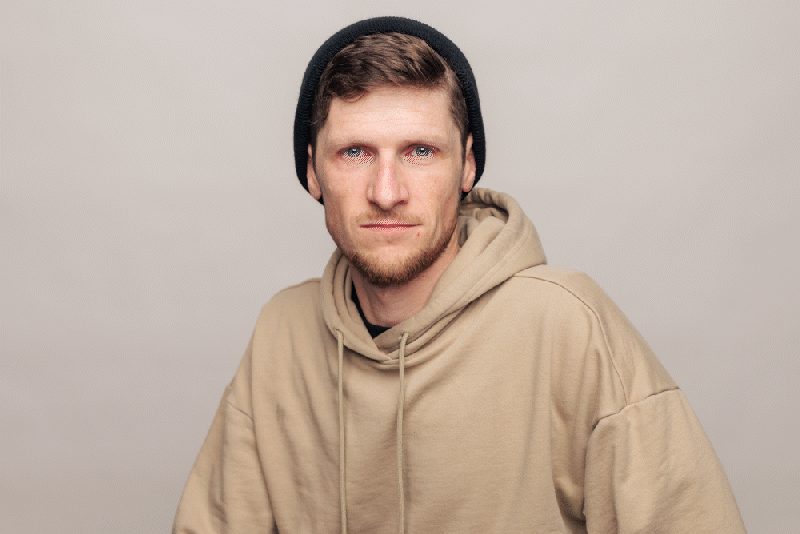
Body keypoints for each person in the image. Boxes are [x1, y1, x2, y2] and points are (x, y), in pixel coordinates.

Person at [173, 16, 746, 533]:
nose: (387, 192)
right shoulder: (283, 333)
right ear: (312, 171)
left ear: (468, 164)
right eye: (355, 153)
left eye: (420, 152)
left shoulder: (568, 325)